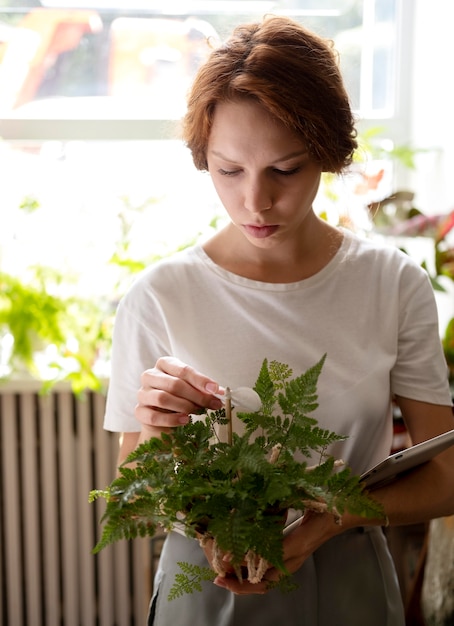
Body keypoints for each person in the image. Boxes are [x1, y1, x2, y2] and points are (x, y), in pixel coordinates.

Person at [103, 15, 454, 626]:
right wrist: (160, 431)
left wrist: (332, 518)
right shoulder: (161, 294)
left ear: (327, 153)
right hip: (205, 586)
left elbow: (447, 475)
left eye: (285, 171)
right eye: (228, 170)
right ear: (203, 159)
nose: (255, 202)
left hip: (351, 588)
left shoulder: (392, 283)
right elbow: (134, 490)